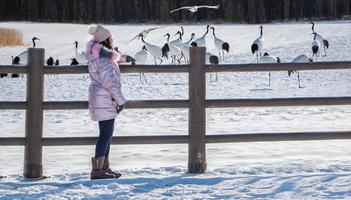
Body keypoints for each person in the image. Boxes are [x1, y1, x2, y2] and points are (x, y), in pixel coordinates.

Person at [86, 24, 134, 179]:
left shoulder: (98, 54)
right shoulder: (103, 59)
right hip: (105, 97)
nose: (112, 38)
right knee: (105, 133)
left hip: (100, 96)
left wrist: (125, 58)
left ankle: (104, 167)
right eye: (110, 36)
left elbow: (112, 58)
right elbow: (110, 82)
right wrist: (121, 101)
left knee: (107, 133)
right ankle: (97, 170)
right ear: (106, 39)